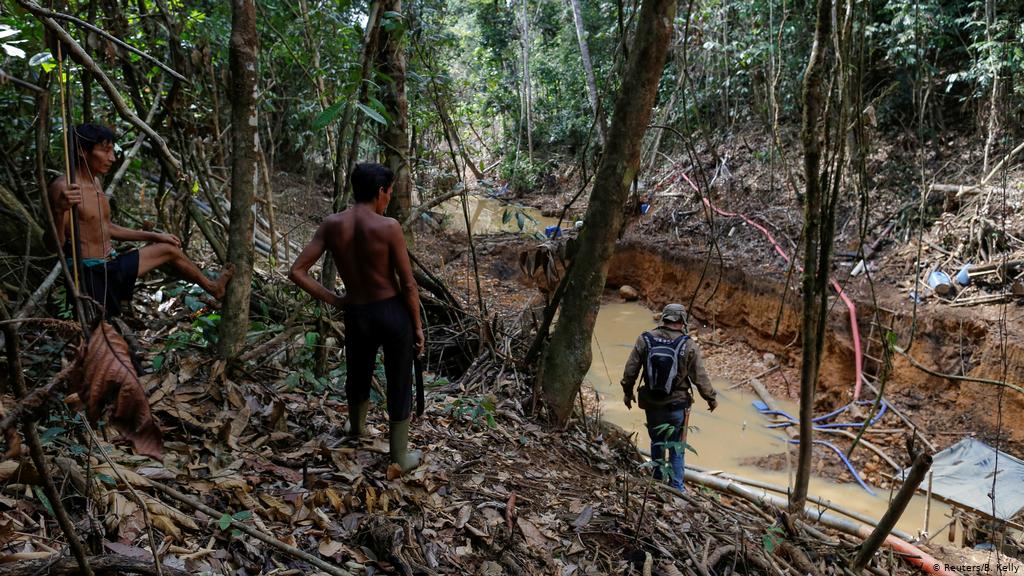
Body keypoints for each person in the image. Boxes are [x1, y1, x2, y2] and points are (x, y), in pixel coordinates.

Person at [288, 162, 424, 472]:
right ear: (380, 191)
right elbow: (409, 285)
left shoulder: (332, 224)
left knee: (358, 371)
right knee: (399, 378)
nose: (388, 199)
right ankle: (399, 456)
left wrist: (336, 300)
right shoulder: (388, 227)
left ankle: (357, 426)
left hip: (357, 312)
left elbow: (297, 271)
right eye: (389, 193)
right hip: (391, 312)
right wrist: (417, 326)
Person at [49, 123, 233, 318]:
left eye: (112, 150)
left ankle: (213, 287)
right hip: (90, 274)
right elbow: (54, 246)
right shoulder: (64, 188)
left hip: (112, 265)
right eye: (105, 151)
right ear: (82, 151)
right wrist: (59, 212)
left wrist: (154, 236)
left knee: (169, 249)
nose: (112, 158)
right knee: (102, 331)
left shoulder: (95, 181)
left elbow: (106, 227)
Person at [621, 303, 718, 491]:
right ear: (682, 321)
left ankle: (657, 482)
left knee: (657, 442)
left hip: (652, 404)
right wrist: (711, 398)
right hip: (677, 405)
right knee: (677, 448)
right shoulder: (688, 344)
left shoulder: (645, 339)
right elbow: (700, 377)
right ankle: (677, 489)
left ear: (663, 318)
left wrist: (627, 393)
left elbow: (630, 370)